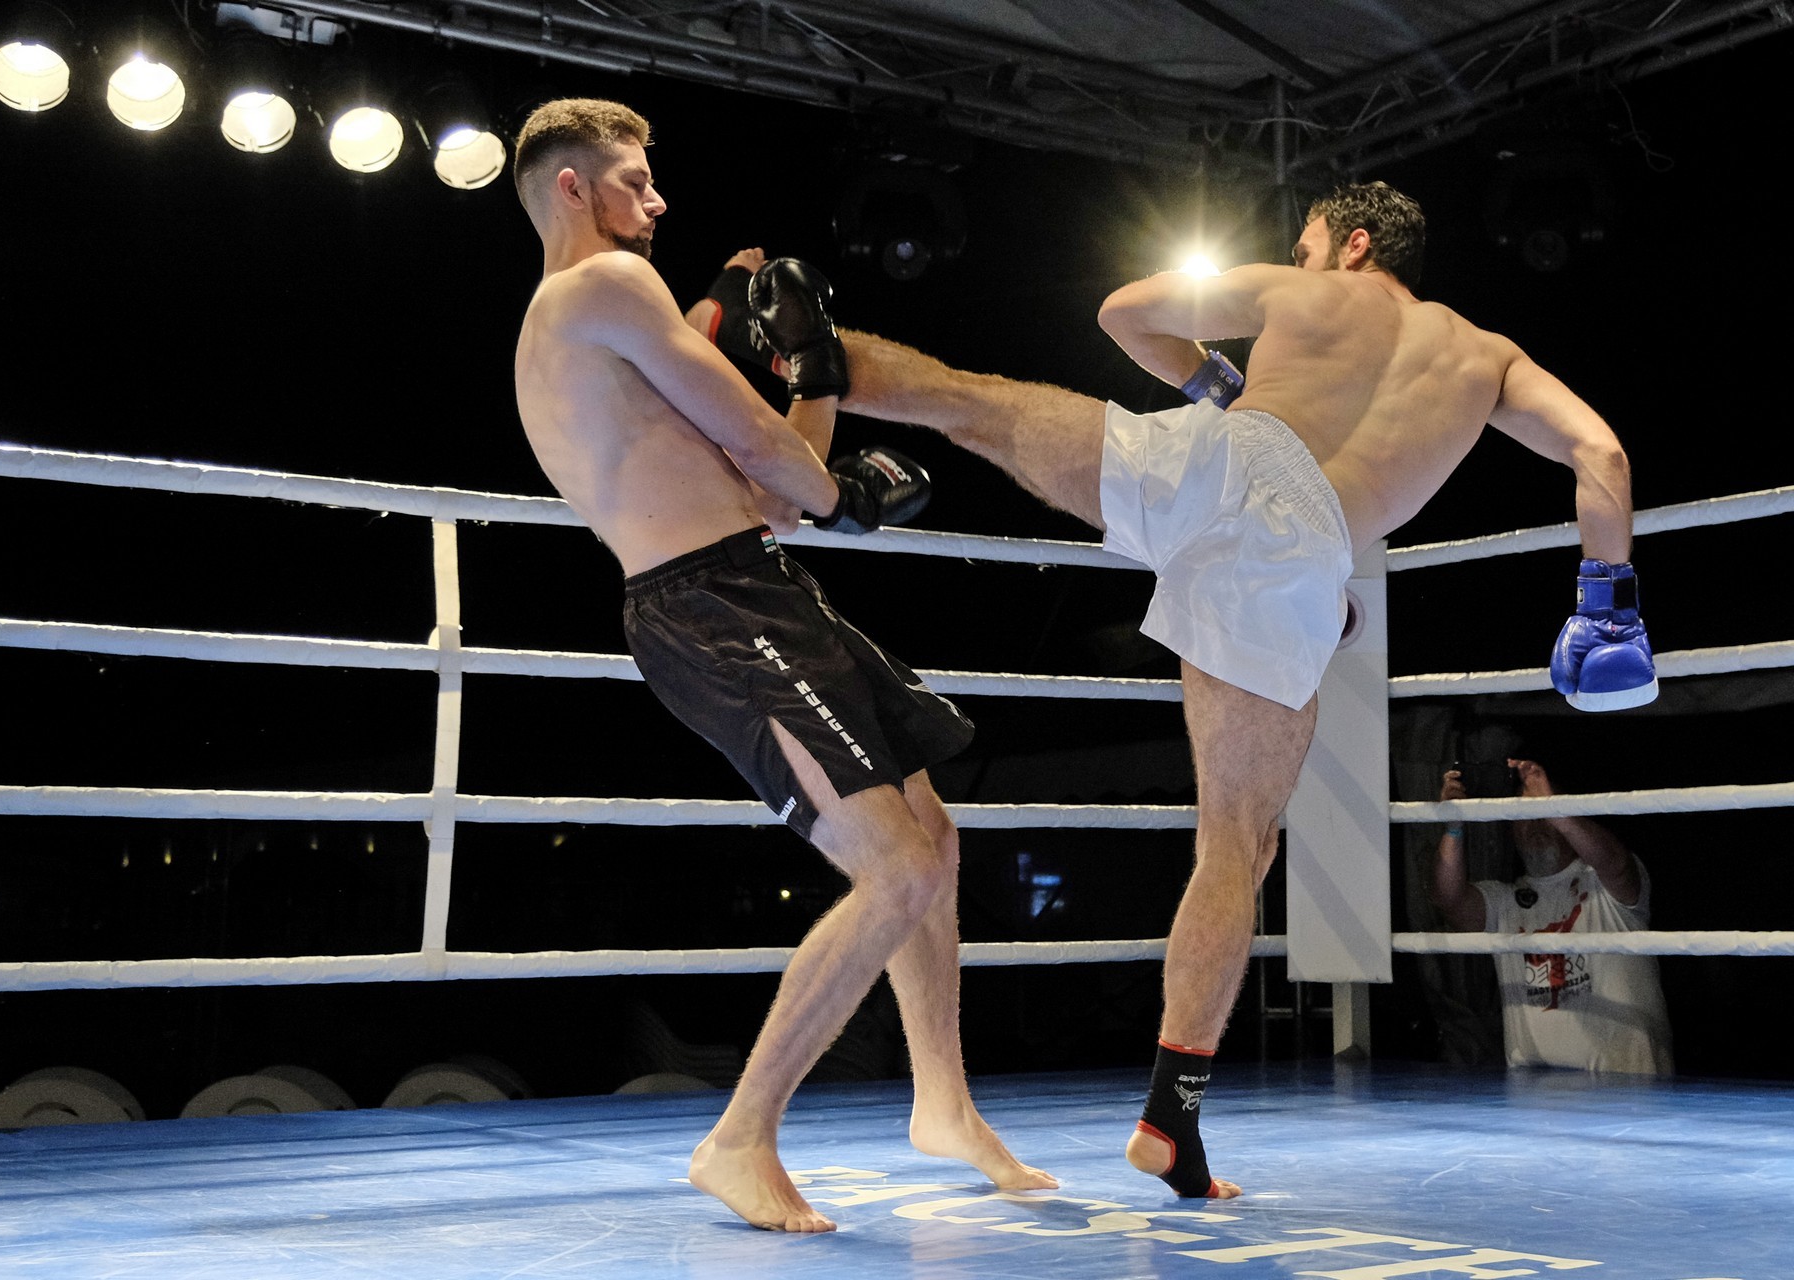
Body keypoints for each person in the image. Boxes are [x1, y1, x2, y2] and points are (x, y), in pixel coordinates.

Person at [691, 181, 1656, 1200]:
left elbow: (1124, 312)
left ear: (1355, 244)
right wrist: (1606, 604)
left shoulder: (1301, 293)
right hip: (1304, 546)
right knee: (1236, 845)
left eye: (1308, 244)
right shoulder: (1489, 358)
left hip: (1210, 457)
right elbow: (1601, 453)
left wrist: (1217, 382)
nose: (1300, 255)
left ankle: (785, 347)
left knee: (972, 400)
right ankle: (1171, 1119)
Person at [507, 98, 1053, 1235]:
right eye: (635, 180)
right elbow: (776, 459)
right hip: (709, 607)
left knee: (933, 837)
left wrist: (816, 368)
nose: (656, 202)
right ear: (571, 186)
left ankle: (944, 1103)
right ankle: (740, 1136)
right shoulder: (599, 287)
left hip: (756, 585)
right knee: (896, 868)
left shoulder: (595, 329)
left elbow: (779, 483)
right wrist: (841, 492)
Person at [1430, 758, 1673, 1074]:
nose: (1535, 821)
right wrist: (1454, 827)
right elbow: (1448, 898)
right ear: (1511, 829)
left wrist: (1556, 808)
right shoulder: (1504, 901)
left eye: (1543, 810)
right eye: (1525, 814)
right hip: (1535, 1092)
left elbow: (1618, 865)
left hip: (1627, 1085)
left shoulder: (1604, 883)